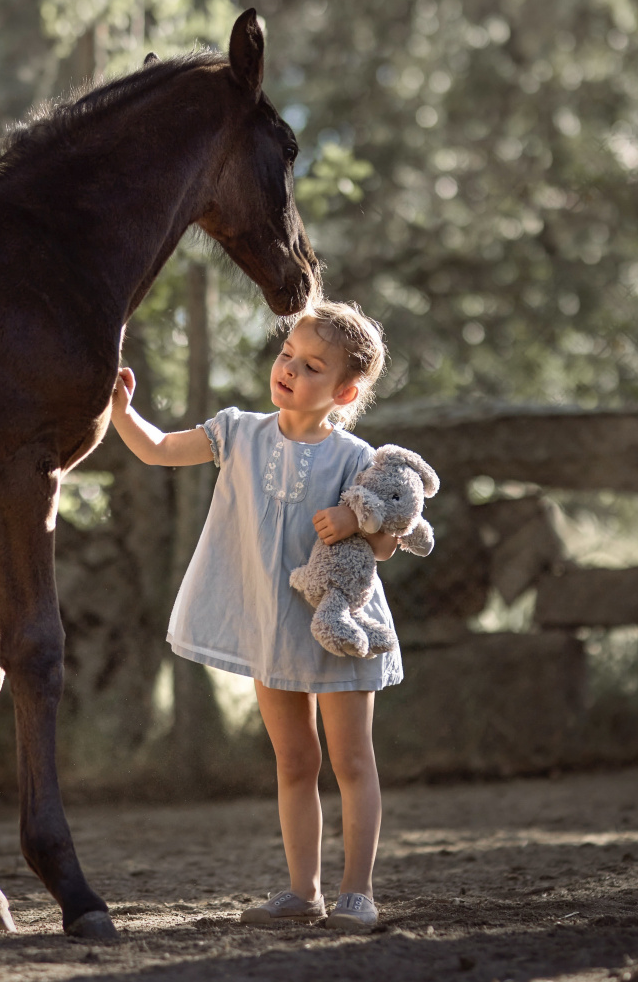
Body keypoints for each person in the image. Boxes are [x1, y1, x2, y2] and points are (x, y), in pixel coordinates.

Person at [107, 300, 401, 933]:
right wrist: (122, 413)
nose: (290, 369)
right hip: (272, 628)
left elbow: (387, 540)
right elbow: (158, 450)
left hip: (341, 628)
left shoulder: (358, 458)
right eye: (287, 355)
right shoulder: (237, 432)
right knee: (294, 761)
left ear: (345, 390)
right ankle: (304, 891)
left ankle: (358, 893)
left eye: (312, 366)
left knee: (352, 762)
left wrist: (360, 521)